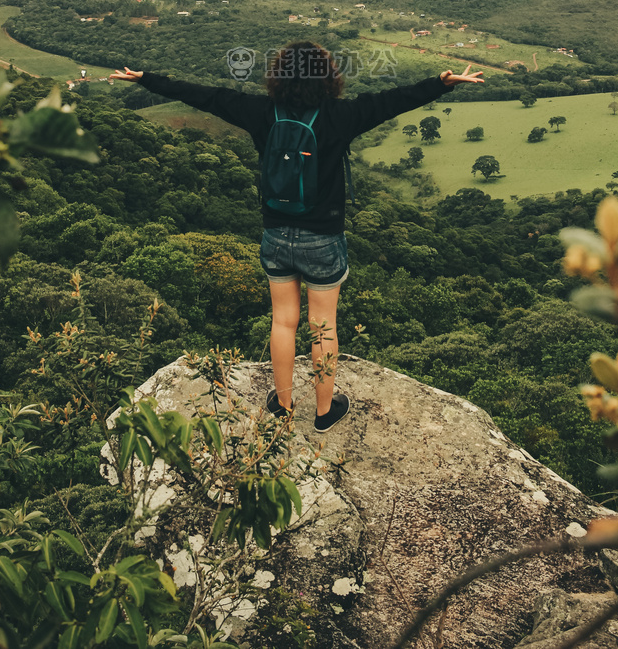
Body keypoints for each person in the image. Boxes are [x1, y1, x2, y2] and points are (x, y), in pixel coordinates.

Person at [110, 42, 483, 433]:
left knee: (283, 322)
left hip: (275, 233)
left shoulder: (260, 112)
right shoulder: (342, 115)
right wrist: (441, 83)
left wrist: (147, 79)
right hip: (323, 237)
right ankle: (324, 413)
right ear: (328, 78)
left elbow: (203, 96)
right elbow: (393, 101)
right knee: (323, 326)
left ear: (278, 76)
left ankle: (283, 406)